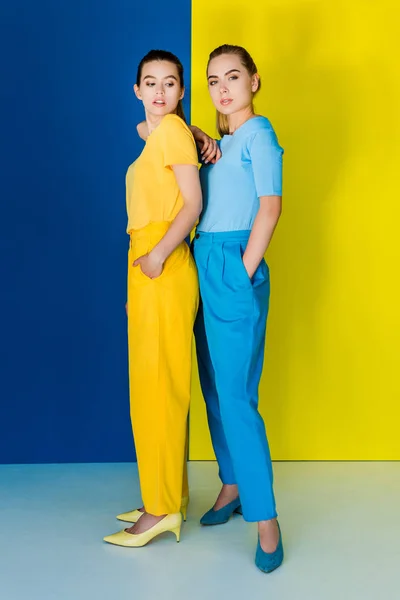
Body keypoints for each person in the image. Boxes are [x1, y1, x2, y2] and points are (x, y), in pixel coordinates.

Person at [103, 49, 205, 548]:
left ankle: (161, 508)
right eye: (151, 82)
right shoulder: (159, 135)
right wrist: (137, 278)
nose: (160, 91)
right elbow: (152, 132)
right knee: (151, 386)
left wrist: (158, 258)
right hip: (145, 269)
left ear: (180, 91)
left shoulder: (172, 133)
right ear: (137, 89)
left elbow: (193, 203)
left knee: (159, 389)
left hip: (162, 262)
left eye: (170, 83)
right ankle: (165, 497)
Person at [192, 44, 284, 573]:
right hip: (204, 260)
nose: (222, 87)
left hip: (231, 262)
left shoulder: (260, 134)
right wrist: (207, 138)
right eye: (212, 80)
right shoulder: (225, 141)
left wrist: (242, 271)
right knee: (213, 386)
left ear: (254, 80)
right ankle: (232, 484)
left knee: (236, 395)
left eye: (233, 76)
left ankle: (267, 520)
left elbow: (270, 206)